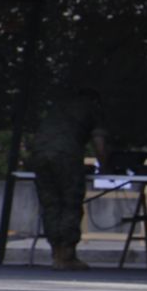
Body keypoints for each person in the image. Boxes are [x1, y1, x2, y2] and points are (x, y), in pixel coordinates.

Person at [26, 89, 106, 271]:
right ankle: (68, 256)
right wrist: (105, 166)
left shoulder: (57, 107)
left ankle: (56, 254)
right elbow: (99, 144)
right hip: (67, 157)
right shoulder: (92, 108)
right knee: (70, 203)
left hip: (40, 156)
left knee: (51, 204)